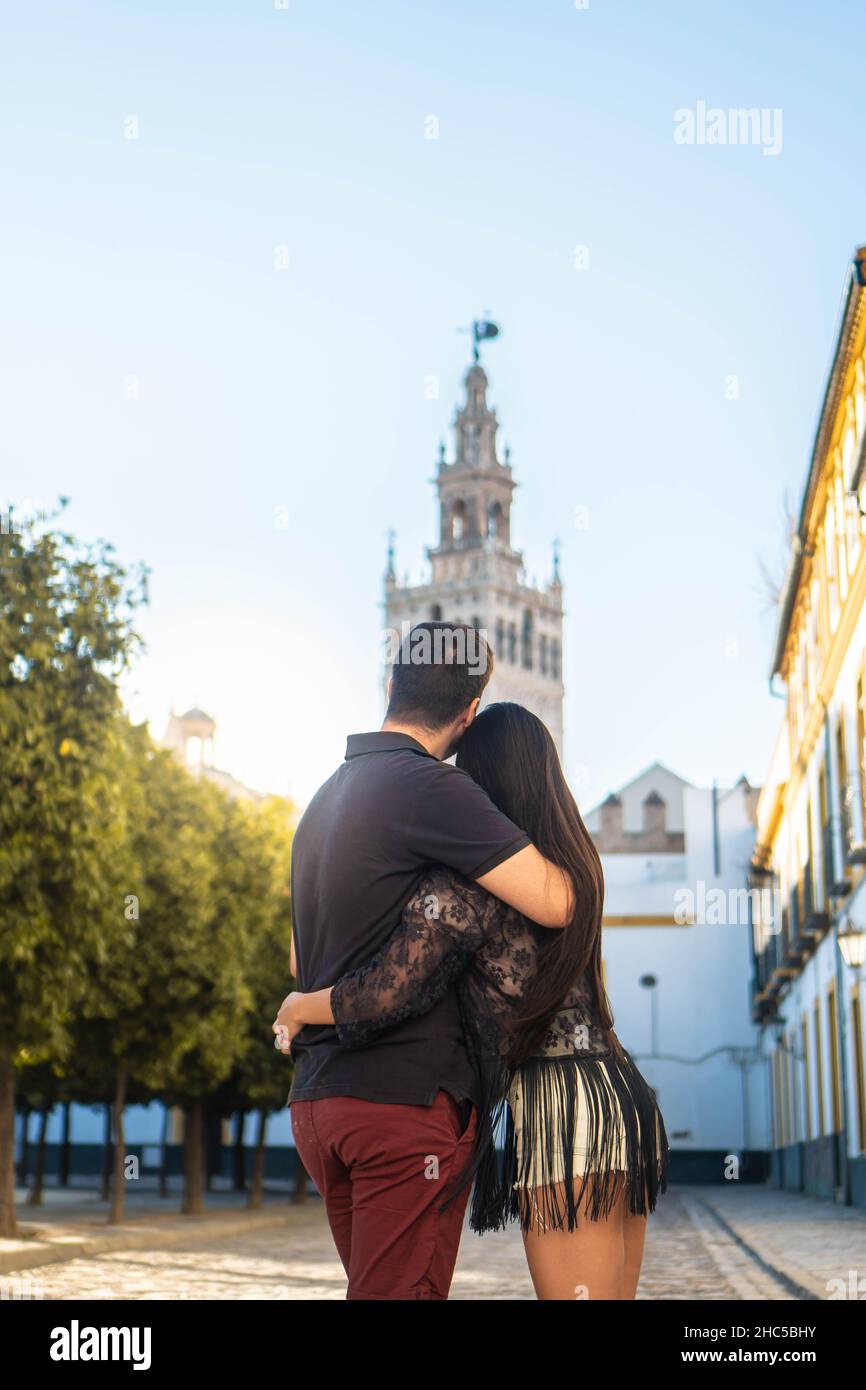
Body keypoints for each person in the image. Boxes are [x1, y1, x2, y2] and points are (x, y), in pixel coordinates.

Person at [277, 701, 669, 1301]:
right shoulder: (573, 866)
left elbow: (388, 989)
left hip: (561, 1107)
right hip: (617, 1094)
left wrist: (299, 1006)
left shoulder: (465, 888)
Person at [276, 623, 573, 1301]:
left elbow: (301, 959)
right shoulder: (433, 790)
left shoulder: (321, 801)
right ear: (466, 718)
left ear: (390, 685)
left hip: (318, 1105)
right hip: (401, 1107)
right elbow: (557, 901)